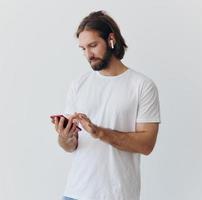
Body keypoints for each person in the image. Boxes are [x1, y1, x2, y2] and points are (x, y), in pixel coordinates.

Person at [51, 10, 161, 200]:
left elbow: (146, 145)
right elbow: (69, 146)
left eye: (93, 45)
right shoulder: (79, 84)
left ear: (111, 39)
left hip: (117, 195)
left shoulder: (142, 85)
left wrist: (98, 132)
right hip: (75, 193)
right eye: (83, 48)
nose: (88, 54)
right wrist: (65, 137)